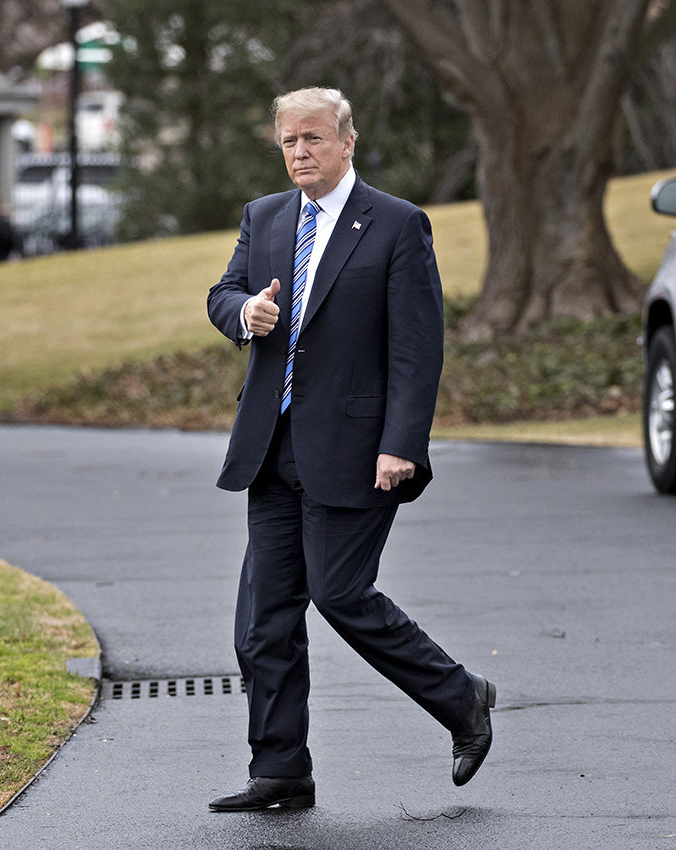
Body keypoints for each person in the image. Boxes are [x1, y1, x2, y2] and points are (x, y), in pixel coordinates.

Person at [205, 86, 494, 812]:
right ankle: (280, 771)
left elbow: (417, 349)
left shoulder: (396, 225)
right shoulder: (263, 217)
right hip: (271, 448)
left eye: (312, 139)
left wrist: (402, 443)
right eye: (288, 142)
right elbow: (223, 293)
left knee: (339, 594)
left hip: (360, 450)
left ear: (347, 142)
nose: (299, 152)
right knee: (262, 622)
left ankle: (461, 699)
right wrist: (246, 312)